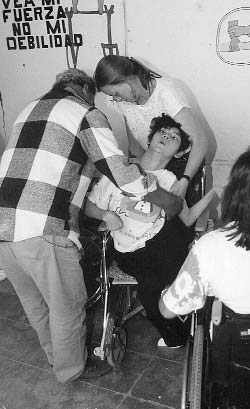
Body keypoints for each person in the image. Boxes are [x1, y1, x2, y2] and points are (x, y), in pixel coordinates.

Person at [0, 68, 183, 383]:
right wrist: (167, 201)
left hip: (4, 224)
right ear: (85, 90)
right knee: (68, 308)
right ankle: (72, 371)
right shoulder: (85, 112)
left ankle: (58, 360)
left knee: (36, 303)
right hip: (43, 227)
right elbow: (119, 171)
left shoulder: (29, 109)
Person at [159, 145, 250, 405]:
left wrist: (166, 293)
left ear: (235, 195)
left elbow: (168, 311)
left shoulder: (212, 246)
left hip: (240, 363)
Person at [85, 114, 220, 348]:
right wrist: (105, 214)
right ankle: (170, 307)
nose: (167, 136)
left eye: (175, 137)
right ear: (150, 139)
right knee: (148, 290)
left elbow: (186, 219)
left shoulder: (169, 180)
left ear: (178, 153)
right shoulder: (120, 168)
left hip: (158, 250)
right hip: (125, 252)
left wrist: (213, 193)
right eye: (163, 132)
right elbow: (89, 207)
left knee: (150, 297)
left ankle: (175, 335)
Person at [94, 55, 209, 201]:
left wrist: (185, 180)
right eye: (112, 97)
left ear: (127, 79)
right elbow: (134, 145)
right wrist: (138, 171)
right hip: (154, 168)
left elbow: (201, 141)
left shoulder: (166, 92)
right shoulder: (124, 104)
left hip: (185, 168)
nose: (116, 99)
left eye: (116, 93)